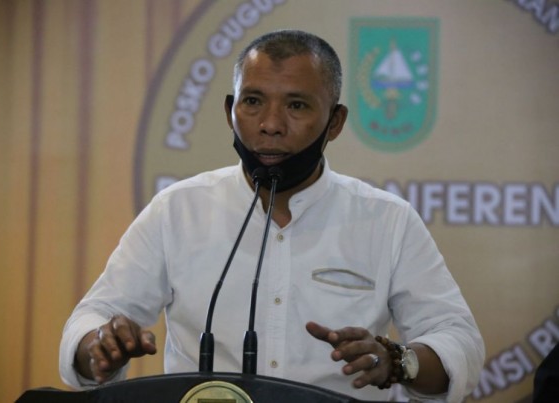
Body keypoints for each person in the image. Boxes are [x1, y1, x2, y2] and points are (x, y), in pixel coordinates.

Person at [59, 29, 484, 402]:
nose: (271, 124)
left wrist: (398, 361)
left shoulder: (387, 220)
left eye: (297, 105)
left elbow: (458, 340)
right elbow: (90, 321)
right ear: (230, 112)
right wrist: (100, 344)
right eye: (253, 101)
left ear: (335, 122)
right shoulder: (178, 210)